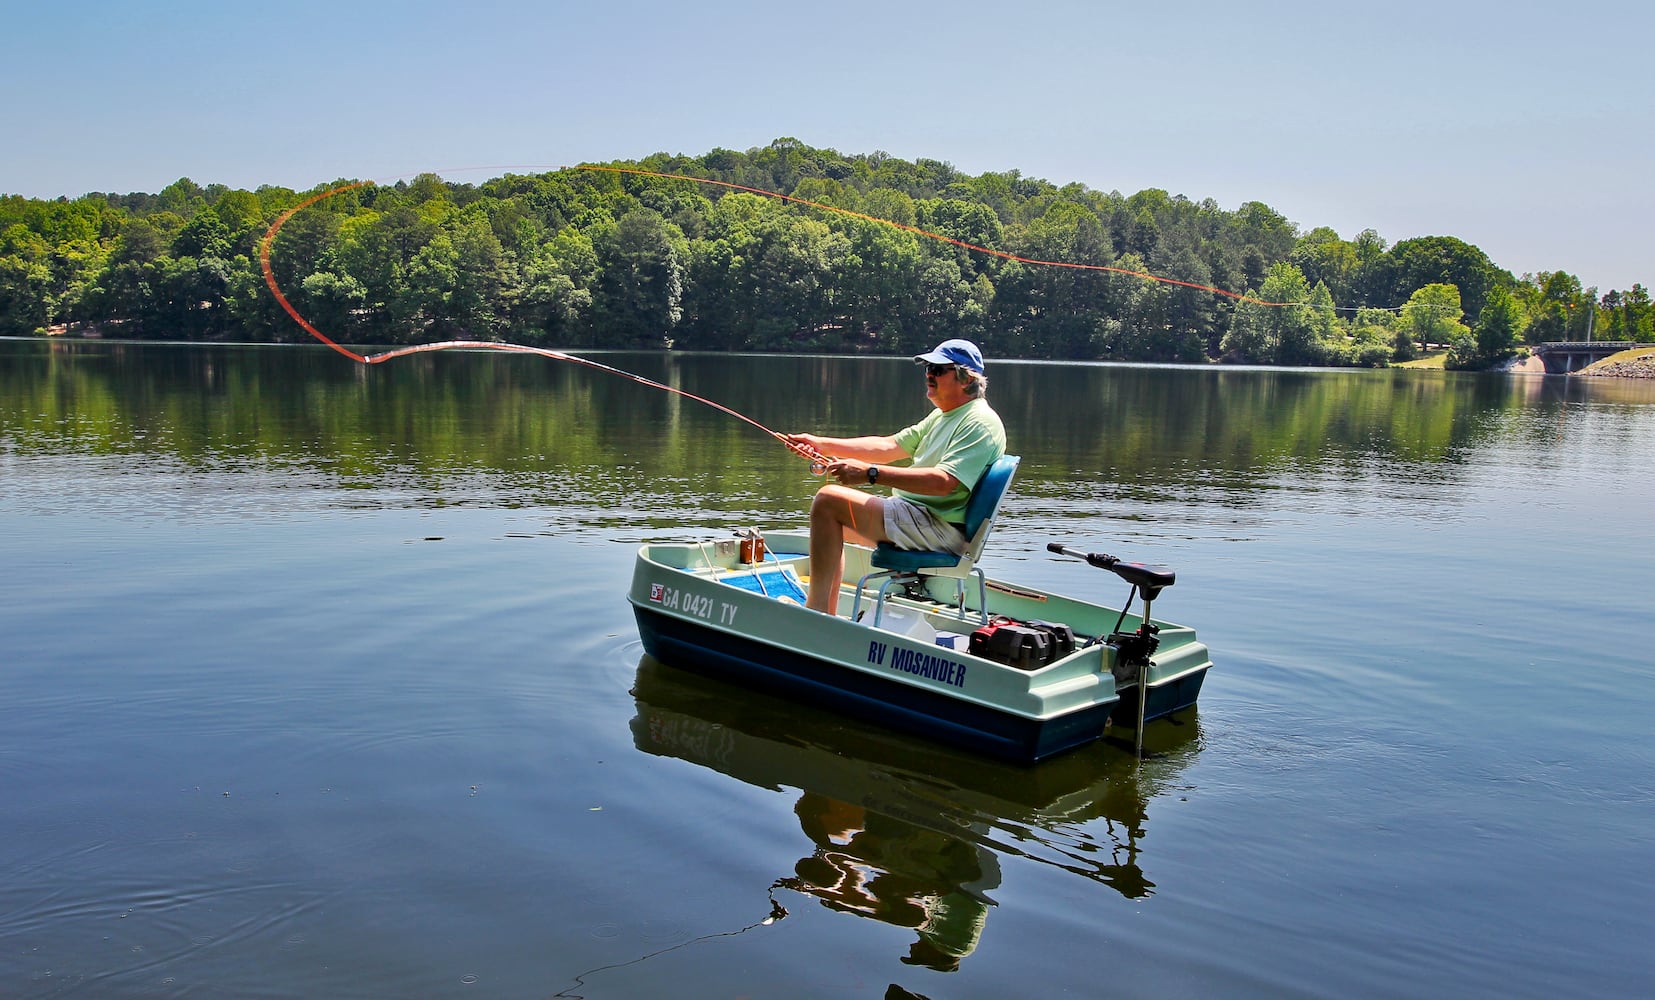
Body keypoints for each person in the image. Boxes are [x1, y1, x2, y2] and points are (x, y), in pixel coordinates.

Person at [781, 339, 1006, 615]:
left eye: (937, 369)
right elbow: (888, 447)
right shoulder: (943, 416)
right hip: (920, 518)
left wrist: (870, 474)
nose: (928, 375)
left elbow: (944, 482)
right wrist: (819, 444)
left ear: (965, 378)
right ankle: (825, 612)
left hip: (938, 528)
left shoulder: (979, 422)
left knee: (828, 501)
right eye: (927, 368)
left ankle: (815, 612)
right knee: (828, 519)